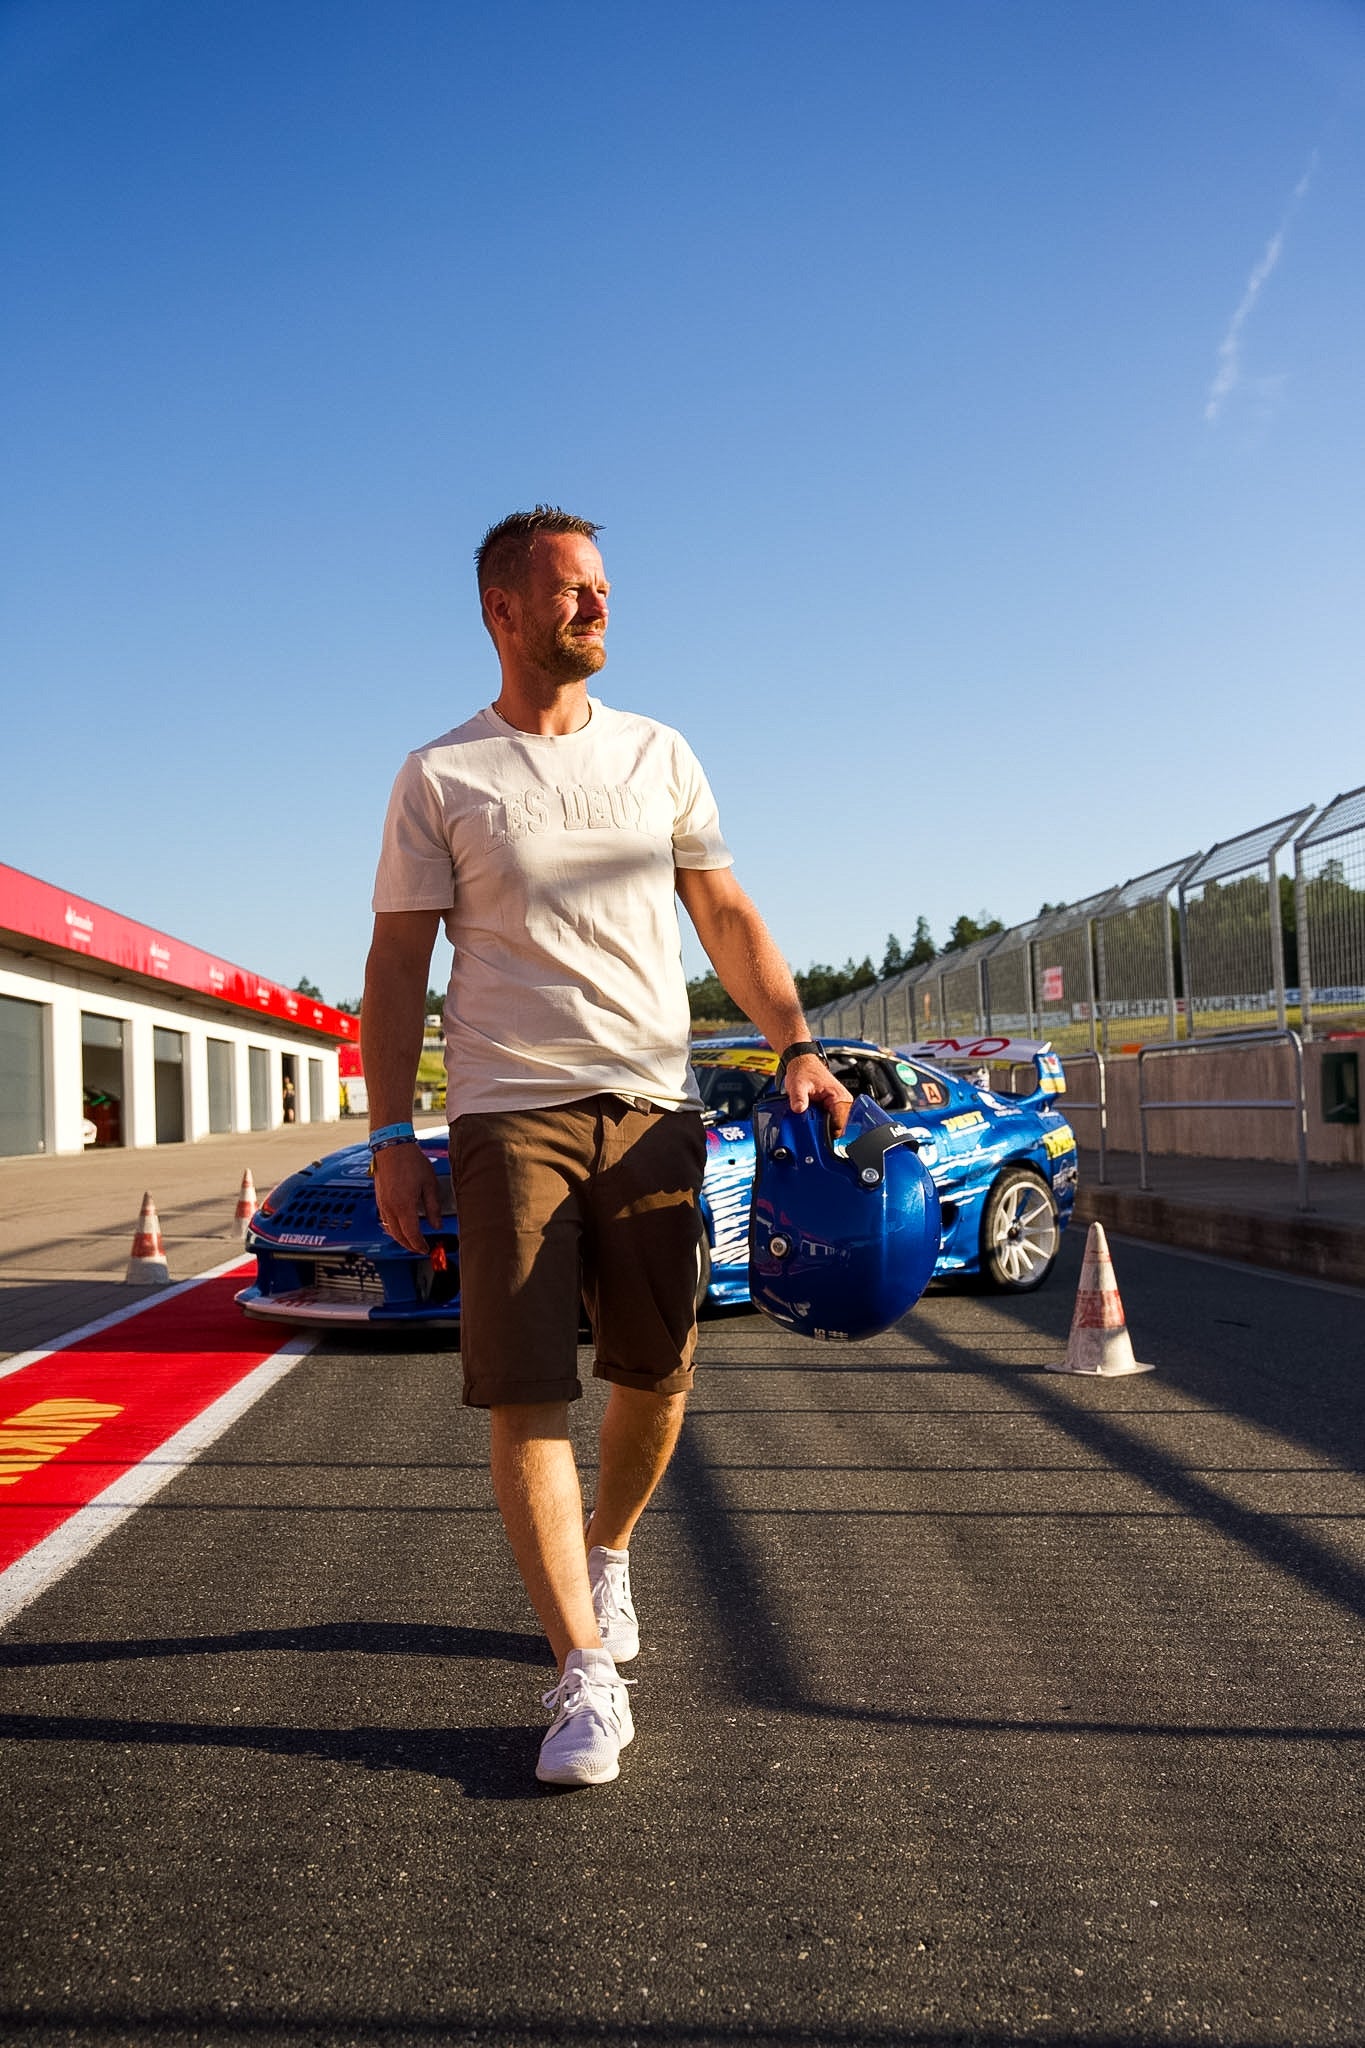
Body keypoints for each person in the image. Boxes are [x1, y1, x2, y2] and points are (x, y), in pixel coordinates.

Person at [362, 506, 851, 1788]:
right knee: (524, 1386)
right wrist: (387, 1134)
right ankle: (581, 1668)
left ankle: (612, 1552)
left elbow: (724, 910)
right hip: (506, 1108)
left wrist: (797, 1038)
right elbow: (399, 965)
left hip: (651, 1106)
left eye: (604, 588)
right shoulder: (440, 775)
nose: (599, 606)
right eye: (571, 589)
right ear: (502, 612)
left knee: (660, 1366)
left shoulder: (659, 753)